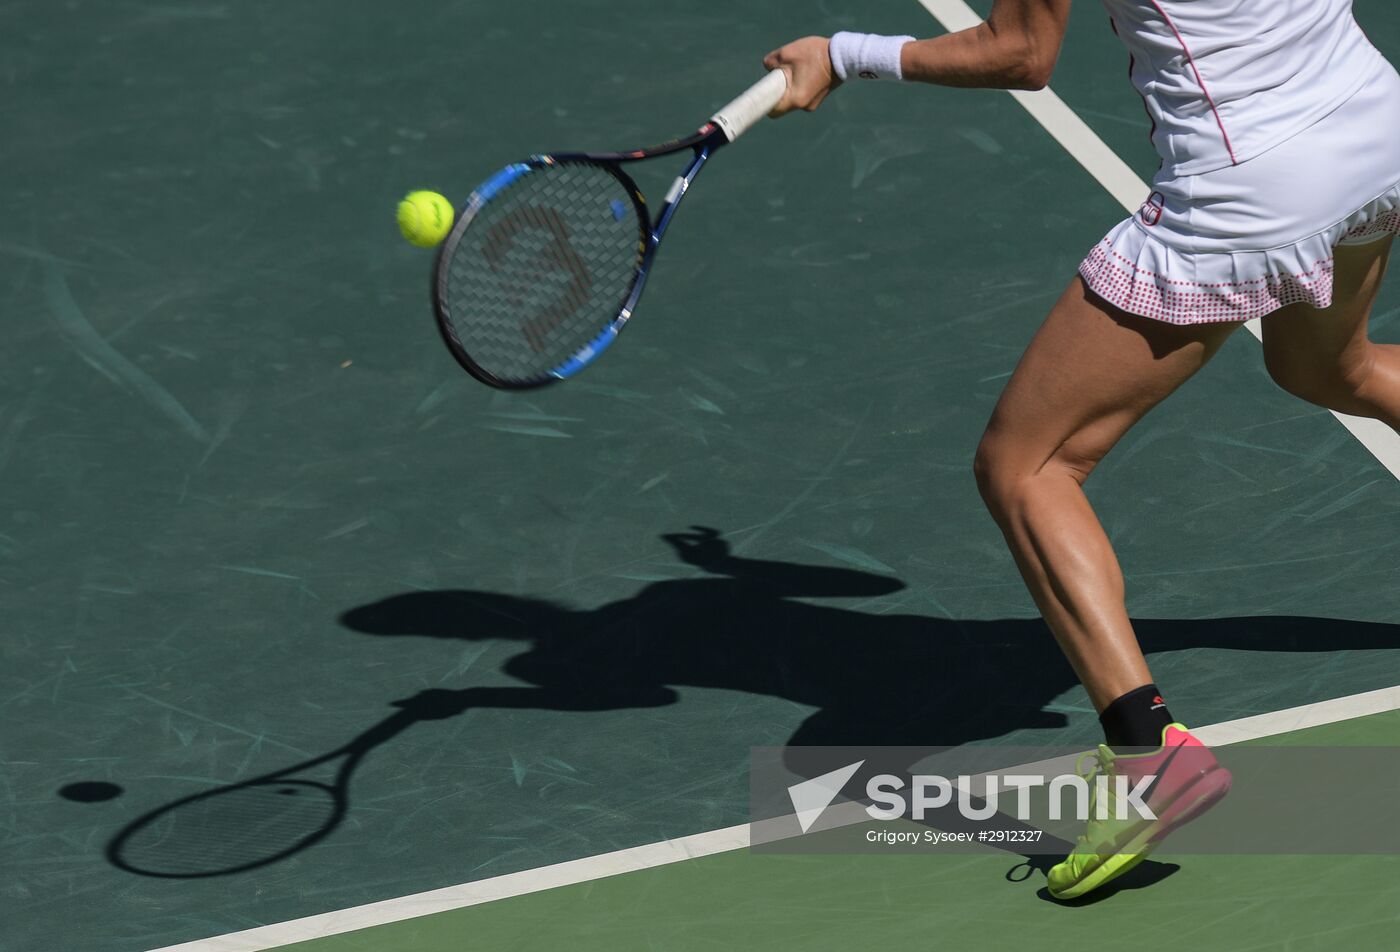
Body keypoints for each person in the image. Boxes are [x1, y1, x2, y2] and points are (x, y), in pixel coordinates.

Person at [762, 0, 1400, 900]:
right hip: (1373, 126)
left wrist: (846, 53)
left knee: (1025, 466)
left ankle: (1147, 757)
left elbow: (1020, 51)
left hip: (1253, 180)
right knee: (1335, 370)